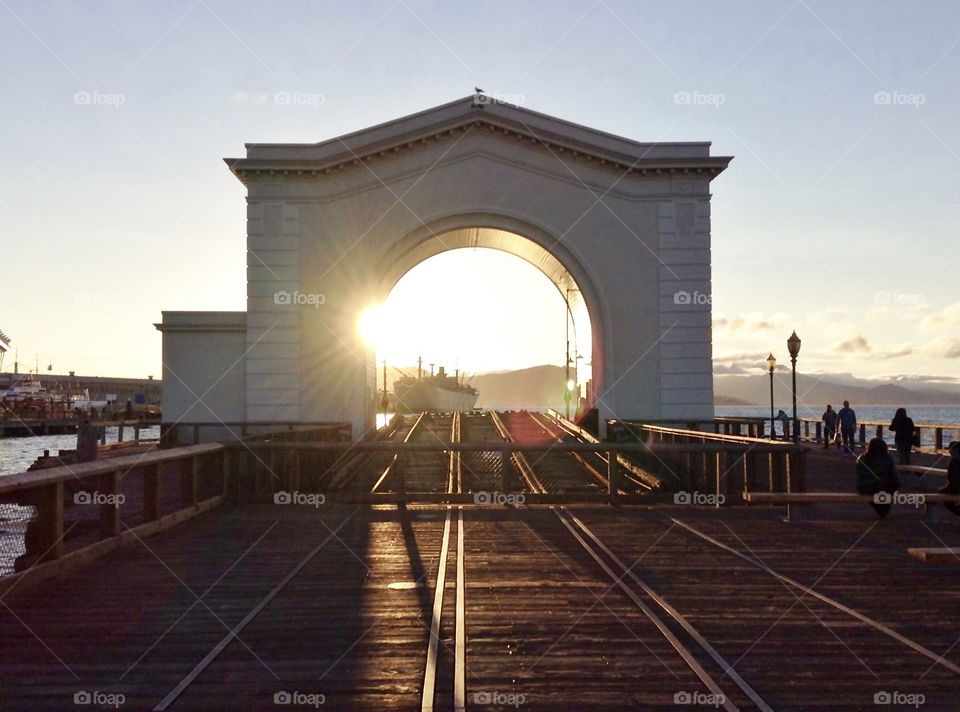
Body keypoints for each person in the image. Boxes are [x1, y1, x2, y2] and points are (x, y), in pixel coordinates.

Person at [856, 437, 899, 519]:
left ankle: (880, 508)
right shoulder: (887, 458)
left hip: (867, 488)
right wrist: (896, 485)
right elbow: (893, 475)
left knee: (875, 493)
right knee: (886, 491)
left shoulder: (863, 458)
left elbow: (859, 473)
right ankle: (883, 509)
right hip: (885, 487)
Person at [940, 441, 960, 517]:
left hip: (956, 487)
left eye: (951, 449)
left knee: (941, 492)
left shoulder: (954, 461)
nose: (949, 451)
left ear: (957, 450)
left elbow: (952, 478)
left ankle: (957, 511)